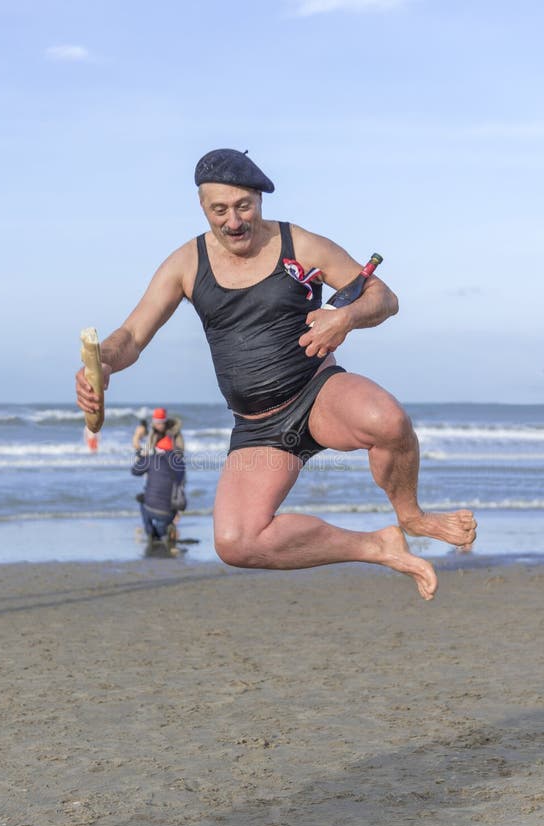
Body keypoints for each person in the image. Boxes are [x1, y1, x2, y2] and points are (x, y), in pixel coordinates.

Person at [76, 148, 476, 599]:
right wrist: (103, 362)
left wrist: (345, 318)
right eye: (219, 210)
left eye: (243, 206)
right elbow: (131, 333)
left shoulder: (300, 245)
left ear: (260, 200)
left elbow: (384, 297)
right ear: (203, 207)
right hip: (258, 429)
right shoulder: (186, 264)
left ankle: (410, 515)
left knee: (387, 420)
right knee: (236, 542)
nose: (233, 221)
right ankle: (377, 545)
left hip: (318, 393)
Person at [132, 434, 186, 549]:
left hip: (150, 508)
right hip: (169, 512)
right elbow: (181, 486)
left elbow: (135, 471)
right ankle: (164, 531)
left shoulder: (152, 459)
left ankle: (150, 531)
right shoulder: (180, 463)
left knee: (141, 499)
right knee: (162, 528)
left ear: (158, 448)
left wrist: (142, 456)